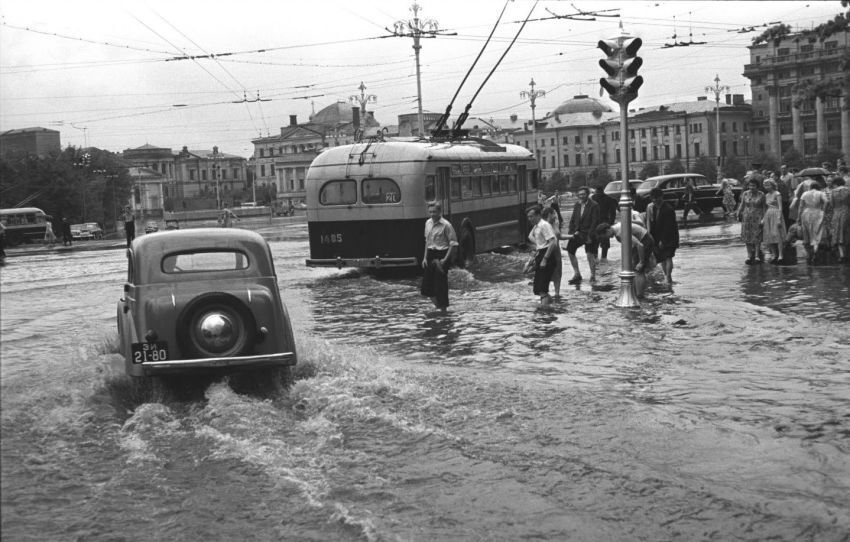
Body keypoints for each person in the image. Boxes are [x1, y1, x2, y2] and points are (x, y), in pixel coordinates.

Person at [595, 220, 656, 296]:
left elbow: (640, 245)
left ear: (607, 230)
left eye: (604, 237)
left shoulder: (620, 233)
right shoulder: (616, 228)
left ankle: (640, 295)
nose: (607, 238)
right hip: (644, 239)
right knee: (634, 268)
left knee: (639, 270)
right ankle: (635, 292)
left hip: (645, 240)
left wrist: (641, 261)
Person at [420, 202, 458, 310]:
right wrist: (424, 258)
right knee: (425, 288)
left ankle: (443, 310)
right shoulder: (427, 223)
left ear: (440, 212)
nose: (432, 214)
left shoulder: (446, 225)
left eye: (434, 212)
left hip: (442, 255)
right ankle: (439, 307)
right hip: (431, 254)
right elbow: (427, 241)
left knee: (440, 285)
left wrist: (445, 259)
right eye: (430, 212)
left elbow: (453, 243)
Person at [565, 186, 600, 283]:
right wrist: (571, 233)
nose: (581, 196)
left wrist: (590, 236)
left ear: (587, 194)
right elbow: (573, 219)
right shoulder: (577, 204)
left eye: (583, 194)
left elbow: (595, 222)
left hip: (589, 233)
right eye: (579, 194)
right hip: (578, 232)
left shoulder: (594, 205)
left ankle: (593, 276)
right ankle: (577, 274)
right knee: (570, 250)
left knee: (590, 254)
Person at [645, 187, 679, 284]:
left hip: (670, 237)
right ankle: (666, 277)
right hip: (658, 237)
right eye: (653, 198)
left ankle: (668, 277)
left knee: (668, 257)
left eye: (657, 198)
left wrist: (663, 240)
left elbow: (668, 227)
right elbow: (654, 223)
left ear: (661, 197)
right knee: (662, 257)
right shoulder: (654, 208)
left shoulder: (668, 209)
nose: (655, 200)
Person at [526, 205, 558, 307]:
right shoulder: (536, 226)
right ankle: (552, 306)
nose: (530, 219)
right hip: (541, 253)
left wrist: (545, 259)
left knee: (542, 289)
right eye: (528, 217)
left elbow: (553, 242)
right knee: (538, 289)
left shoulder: (544, 225)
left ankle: (544, 313)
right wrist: (536, 253)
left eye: (532, 216)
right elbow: (532, 238)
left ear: (538, 215)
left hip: (547, 256)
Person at [736, 178, 766, 264]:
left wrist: (763, 219)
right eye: (750, 185)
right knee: (747, 236)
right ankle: (749, 255)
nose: (751, 187)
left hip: (757, 217)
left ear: (757, 186)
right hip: (747, 217)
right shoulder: (745, 193)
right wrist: (738, 213)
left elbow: (764, 208)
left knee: (757, 236)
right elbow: (742, 204)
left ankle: (756, 256)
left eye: (753, 185)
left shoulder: (761, 194)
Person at [798, 181, 828, 264]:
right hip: (818, 213)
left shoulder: (805, 194)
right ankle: (815, 252)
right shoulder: (821, 193)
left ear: (810, 187)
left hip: (806, 213)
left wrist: (798, 218)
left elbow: (800, 206)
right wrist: (823, 210)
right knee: (816, 234)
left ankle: (809, 254)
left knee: (806, 234)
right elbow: (826, 201)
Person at [761, 179, 787, 264]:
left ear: (772, 185)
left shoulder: (777, 194)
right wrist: (763, 219)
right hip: (768, 214)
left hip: (776, 213)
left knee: (777, 234)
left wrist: (779, 218)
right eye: (765, 185)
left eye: (768, 185)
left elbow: (780, 207)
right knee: (769, 234)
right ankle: (774, 254)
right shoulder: (766, 195)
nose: (767, 187)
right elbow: (765, 208)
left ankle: (781, 254)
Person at [541, 206, 565, 297]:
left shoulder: (556, 223)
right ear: (549, 214)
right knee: (547, 272)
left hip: (557, 251)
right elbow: (531, 236)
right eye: (554, 213)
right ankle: (545, 293)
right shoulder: (543, 225)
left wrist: (572, 236)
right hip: (547, 250)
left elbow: (559, 236)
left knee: (558, 272)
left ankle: (557, 293)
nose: (556, 215)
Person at [826, 175, 849, 263]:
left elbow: (831, 204)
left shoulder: (833, 192)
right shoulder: (848, 190)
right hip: (847, 212)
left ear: (835, 183)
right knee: (846, 231)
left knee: (838, 233)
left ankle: (842, 255)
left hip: (837, 213)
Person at [591, 185, 616, 259]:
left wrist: (610, 224)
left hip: (599, 224)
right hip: (602, 223)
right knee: (600, 243)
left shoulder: (593, 198)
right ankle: (602, 258)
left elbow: (612, 213)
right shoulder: (608, 199)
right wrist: (610, 223)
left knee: (598, 242)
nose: (597, 193)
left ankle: (599, 259)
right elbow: (613, 213)